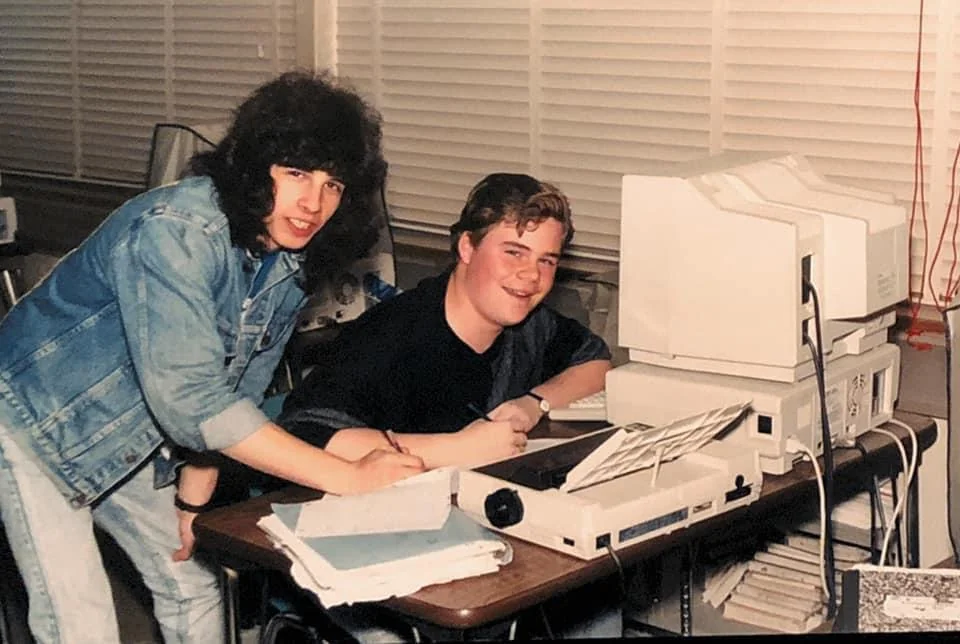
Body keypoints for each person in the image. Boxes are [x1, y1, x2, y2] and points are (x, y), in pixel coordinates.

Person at [0, 69, 423, 644]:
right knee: (81, 620)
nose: (313, 202)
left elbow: (236, 391)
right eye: (296, 174)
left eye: (333, 185)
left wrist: (191, 503)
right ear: (254, 169)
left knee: (192, 583)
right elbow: (193, 401)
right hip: (26, 418)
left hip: (131, 430)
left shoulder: (289, 261)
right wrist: (348, 478)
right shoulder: (176, 228)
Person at [278, 172, 620, 640]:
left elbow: (596, 362)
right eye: (513, 252)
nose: (531, 277)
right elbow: (302, 432)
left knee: (595, 597)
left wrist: (532, 403)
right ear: (466, 248)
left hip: (474, 525)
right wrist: (456, 449)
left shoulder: (529, 325)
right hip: (375, 542)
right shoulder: (391, 334)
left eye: (547, 261)